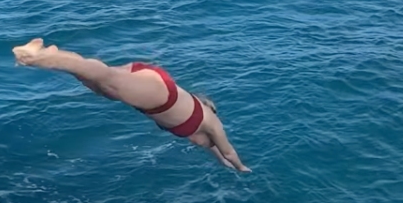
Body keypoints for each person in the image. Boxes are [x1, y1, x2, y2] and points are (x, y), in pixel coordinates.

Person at [13, 38, 250, 173]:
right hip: (160, 94)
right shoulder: (211, 123)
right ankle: (37, 57)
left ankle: (54, 55)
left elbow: (219, 153)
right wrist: (241, 167)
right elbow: (229, 151)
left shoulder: (204, 133)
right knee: (106, 78)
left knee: (97, 85)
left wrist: (225, 163)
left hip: (150, 98)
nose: (205, 145)